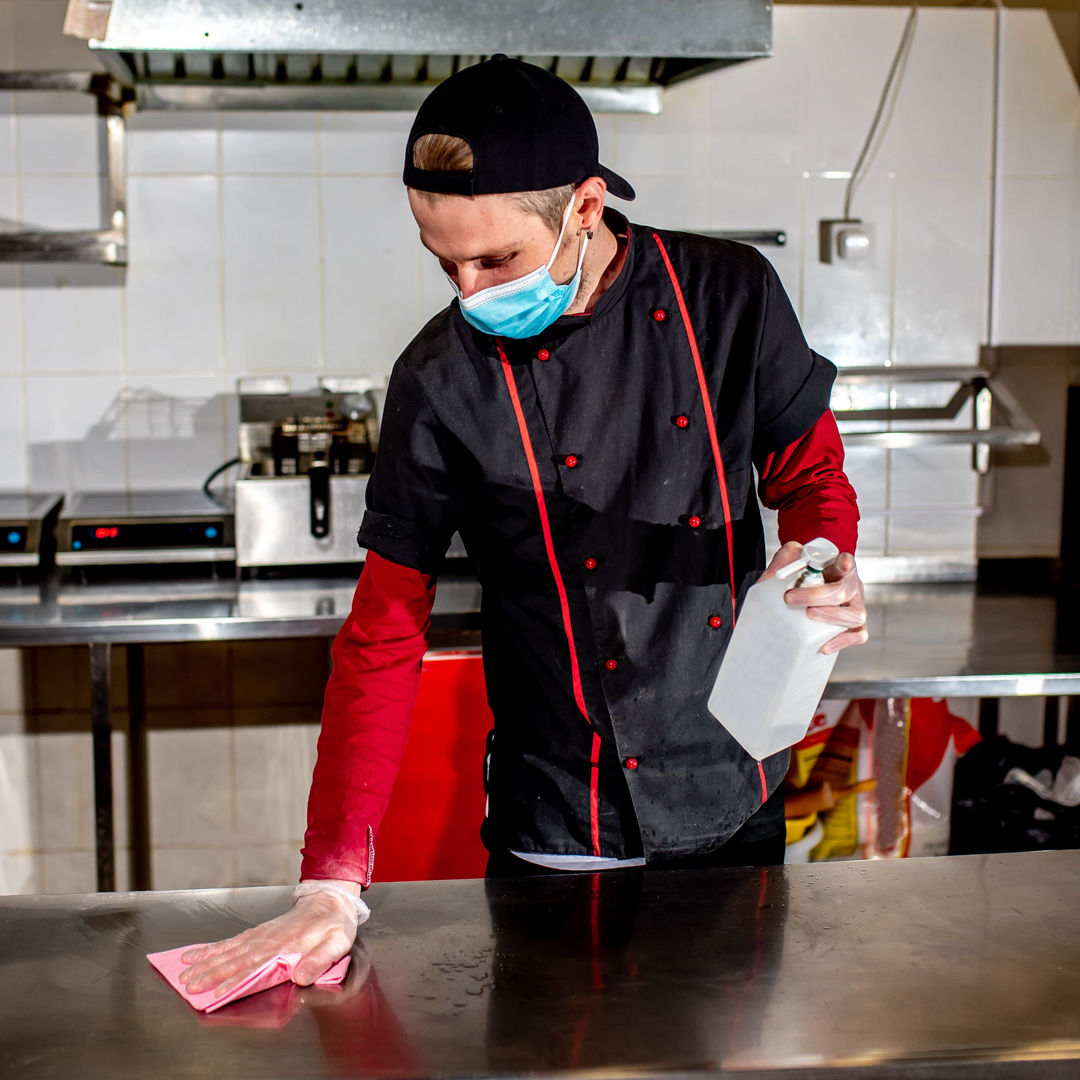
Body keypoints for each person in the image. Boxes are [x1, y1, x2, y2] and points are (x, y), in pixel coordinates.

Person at [180, 55, 866, 997]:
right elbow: (382, 631)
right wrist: (330, 880)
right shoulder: (439, 379)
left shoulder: (727, 296)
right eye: (442, 261)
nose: (467, 290)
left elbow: (810, 472)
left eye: (495, 259)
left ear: (585, 206)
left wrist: (825, 555)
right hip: (556, 822)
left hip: (730, 798)